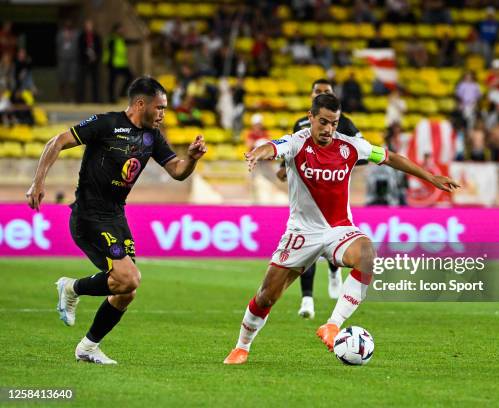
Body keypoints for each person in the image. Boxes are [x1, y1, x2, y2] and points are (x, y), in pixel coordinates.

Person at [223, 94, 459, 364]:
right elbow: (271, 147)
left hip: (339, 230)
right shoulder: (296, 142)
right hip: (302, 232)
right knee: (267, 296)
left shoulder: (351, 146)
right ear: (311, 118)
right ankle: (242, 346)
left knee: (367, 254)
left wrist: (430, 178)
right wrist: (256, 153)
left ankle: (332, 325)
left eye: (333, 123)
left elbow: (391, 157)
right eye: (322, 122)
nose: (328, 129)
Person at [25, 77, 206, 364]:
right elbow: (57, 141)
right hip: (88, 215)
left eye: (165, 109)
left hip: (115, 216)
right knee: (129, 278)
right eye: (159, 108)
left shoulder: (153, 136)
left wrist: (192, 158)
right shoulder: (107, 124)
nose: (162, 114)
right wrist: (38, 182)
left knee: (127, 291)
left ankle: (88, 347)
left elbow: (176, 170)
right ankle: (71, 288)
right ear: (140, 104)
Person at [276, 78, 362, 319]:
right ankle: (307, 300)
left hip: (334, 187)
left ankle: (335, 272)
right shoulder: (301, 125)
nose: (328, 127)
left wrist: (343, 160)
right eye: (318, 91)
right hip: (308, 191)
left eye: (326, 91)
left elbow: (363, 150)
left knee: (334, 231)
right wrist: (285, 168)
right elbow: (292, 150)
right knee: (308, 244)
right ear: (312, 96)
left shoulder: (344, 124)